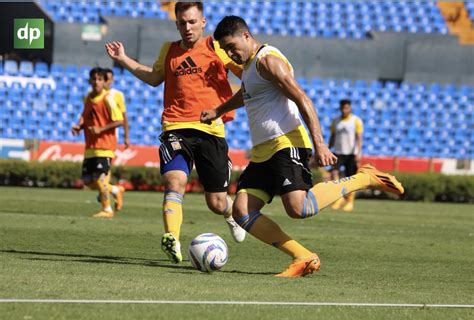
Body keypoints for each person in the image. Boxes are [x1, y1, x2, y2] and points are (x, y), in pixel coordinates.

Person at [201, 16, 404, 278]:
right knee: (242, 210)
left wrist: (320, 145)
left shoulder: (268, 60)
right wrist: (219, 109)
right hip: (264, 150)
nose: (230, 54)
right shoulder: (251, 66)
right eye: (225, 50)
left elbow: (302, 98)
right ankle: (303, 256)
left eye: (232, 46)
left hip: (287, 142)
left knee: (299, 209)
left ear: (246, 36)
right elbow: (247, 94)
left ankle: (365, 177)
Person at [105, 1, 245, 263]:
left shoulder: (217, 47)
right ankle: (172, 238)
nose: (187, 27)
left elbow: (245, 70)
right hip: (175, 127)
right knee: (174, 182)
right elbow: (154, 77)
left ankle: (229, 214)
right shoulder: (168, 50)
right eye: (182, 22)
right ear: (176, 24)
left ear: (203, 22)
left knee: (216, 202)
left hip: (210, 130)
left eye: (192, 22)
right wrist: (123, 59)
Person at [71, 68, 124, 218]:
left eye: (100, 79)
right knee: (88, 182)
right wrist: (79, 127)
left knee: (100, 180)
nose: (96, 82)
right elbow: (85, 116)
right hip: (90, 146)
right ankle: (115, 190)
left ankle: (107, 209)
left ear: (104, 82)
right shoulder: (88, 98)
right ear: (90, 81)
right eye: (94, 79)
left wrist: (101, 129)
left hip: (105, 145)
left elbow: (119, 120)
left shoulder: (107, 98)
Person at [328, 99, 364, 212]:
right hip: (338, 152)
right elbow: (332, 137)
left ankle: (349, 201)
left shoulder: (356, 121)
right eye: (343, 108)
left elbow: (359, 139)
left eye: (346, 108)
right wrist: (327, 149)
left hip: (351, 153)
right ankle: (339, 198)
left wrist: (358, 153)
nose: (344, 110)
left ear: (350, 108)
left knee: (350, 178)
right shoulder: (336, 121)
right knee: (334, 173)